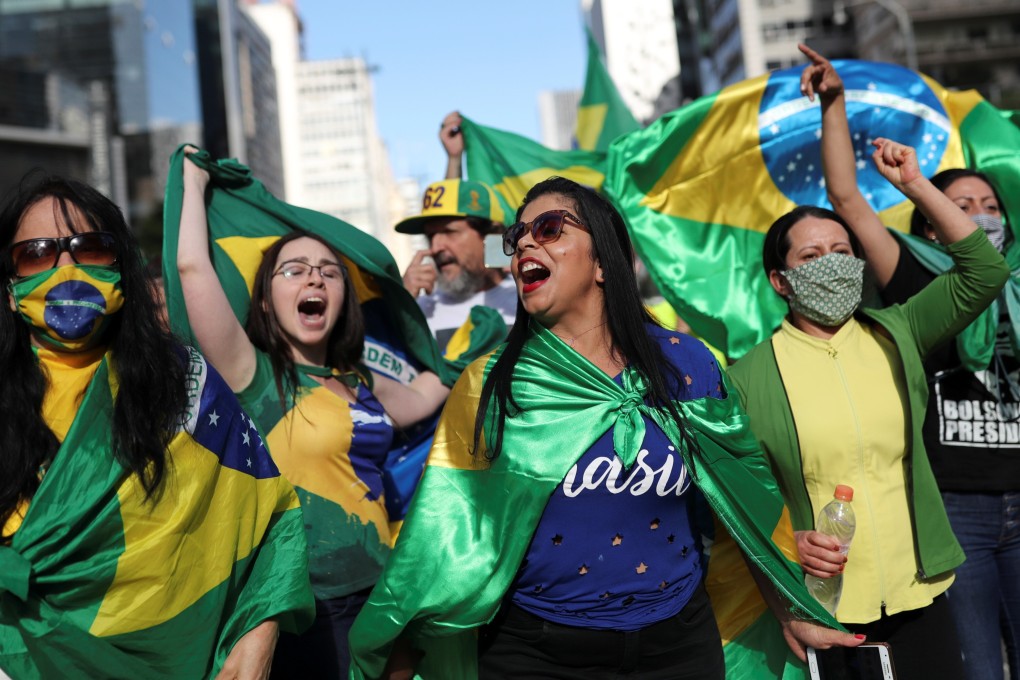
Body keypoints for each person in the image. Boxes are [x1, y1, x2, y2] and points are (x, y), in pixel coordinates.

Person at [349, 176, 864, 680]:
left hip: (678, 647)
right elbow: (443, 540)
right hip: (534, 655)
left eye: (550, 228)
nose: (525, 241)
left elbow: (739, 502)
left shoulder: (686, 365)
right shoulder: (489, 385)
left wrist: (789, 607)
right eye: (516, 236)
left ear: (602, 261)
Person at [728, 116, 1010, 677]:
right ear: (780, 281)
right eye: (810, 257)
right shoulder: (747, 377)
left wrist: (916, 185)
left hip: (920, 590)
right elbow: (742, 507)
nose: (831, 263)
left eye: (841, 249)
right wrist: (789, 562)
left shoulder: (898, 329)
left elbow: (986, 269)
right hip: (827, 608)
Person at [0, 175, 312, 678]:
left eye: (90, 249)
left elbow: (271, 516)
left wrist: (259, 635)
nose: (66, 268)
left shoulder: (184, 387)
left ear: (123, 271)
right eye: (36, 254)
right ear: (11, 291)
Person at [176, 151, 450, 679]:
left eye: (330, 273)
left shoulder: (360, 381)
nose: (315, 281)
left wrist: (475, 348)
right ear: (266, 298)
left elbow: (426, 392)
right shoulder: (249, 373)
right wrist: (193, 177)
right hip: (302, 609)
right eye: (295, 271)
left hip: (386, 593)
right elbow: (192, 268)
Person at [802, 43, 1020, 680]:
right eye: (964, 207)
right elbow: (846, 197)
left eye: (991, 208)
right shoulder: (918, 281)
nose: (981, 218)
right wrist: (834, 105)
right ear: (932, 224)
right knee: (978, 666)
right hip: (959, 508)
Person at [396, 176, 517, 352]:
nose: (436, 247)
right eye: (430, 236)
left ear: (491, 235)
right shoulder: (420, 310)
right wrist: (399, 303)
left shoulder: (528, 300)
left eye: (449, 232)